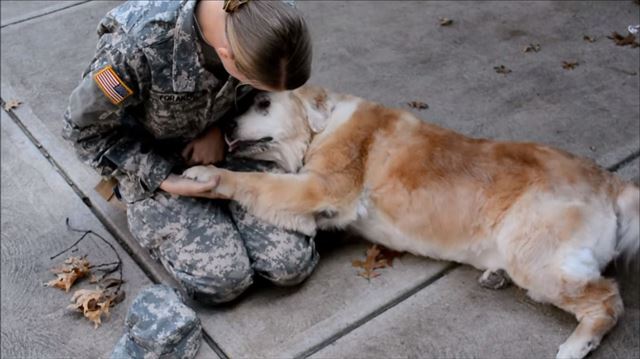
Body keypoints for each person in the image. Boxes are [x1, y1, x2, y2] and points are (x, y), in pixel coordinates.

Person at [62, 0, 319, 305]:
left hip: (230, 137)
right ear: (227, 57)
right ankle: (135, 200)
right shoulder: (136, 48)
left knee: (289, 264)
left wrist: (219, 131)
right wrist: (163, 178)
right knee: (225, 282)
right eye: (247, 79)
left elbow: (264, 89)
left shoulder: (271, 16)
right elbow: (82, 130)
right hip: (153, 158)